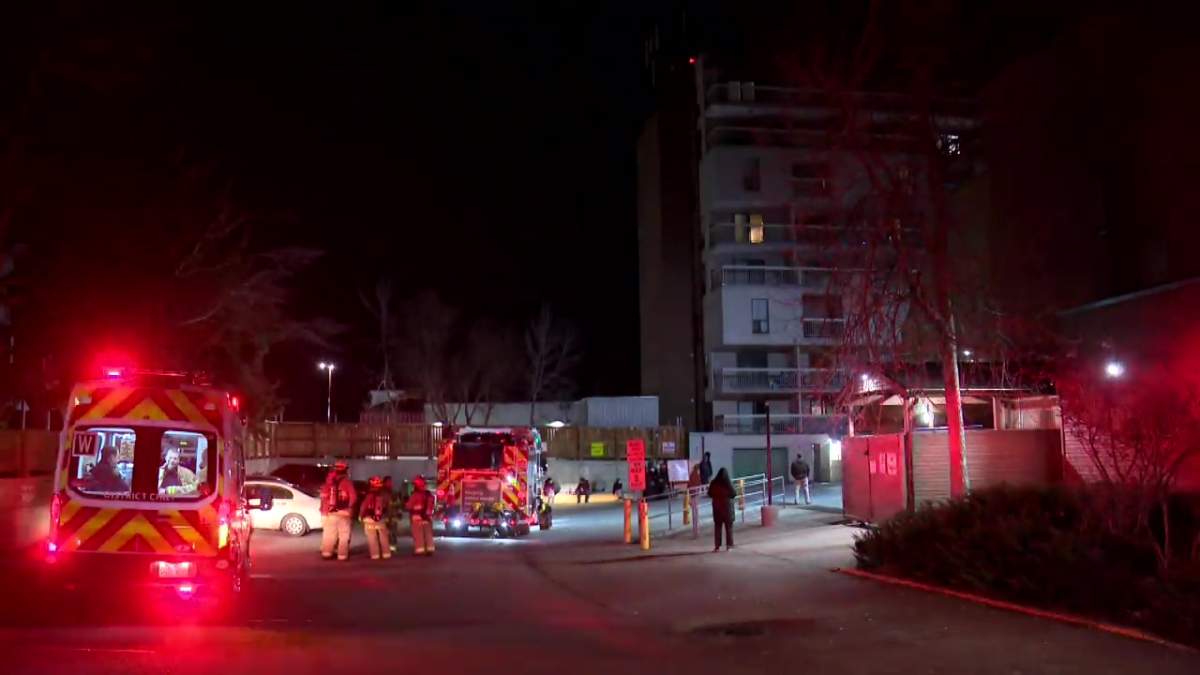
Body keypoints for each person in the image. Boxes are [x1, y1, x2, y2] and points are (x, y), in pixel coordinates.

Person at [319, 461, 358, 561]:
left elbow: (323, 497)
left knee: (329, 534)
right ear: (346, 470)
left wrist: (325, 510)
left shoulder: (328, 483)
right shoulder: (348, 482)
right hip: (344, 513)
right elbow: (354, 497)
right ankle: (342, 555)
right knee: (344, 535)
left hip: (330, 513)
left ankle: (327, 554)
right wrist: (349, 508)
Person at [359, 476, 392, 560]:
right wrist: (388, 516)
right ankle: (386, 554)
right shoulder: (385, 494)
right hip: (381, 519)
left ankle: (375, 555)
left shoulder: (368, 495)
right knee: (384, 537)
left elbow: (364, 507)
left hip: (369, 520)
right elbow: (388, 507)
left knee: (372, 537)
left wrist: (361, 516)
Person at [405, 476, 436, 556]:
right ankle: (430, 549)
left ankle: (420, 550)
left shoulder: (415, 495)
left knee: (418, 534)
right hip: (427, 517)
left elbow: (409, 506)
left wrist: (405, 503)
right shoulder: (429, 495)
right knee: (428, 534)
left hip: (417, 517)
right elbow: (432, 505)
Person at [707, 468, 736, 552]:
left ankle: (717, 547)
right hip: (727, 509)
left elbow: (709, 493)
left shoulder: (714, 483)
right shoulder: (728, 483)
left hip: (717, 508)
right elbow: (734, 493)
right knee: (729, 528)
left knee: (718, 528)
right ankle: (729, 546)